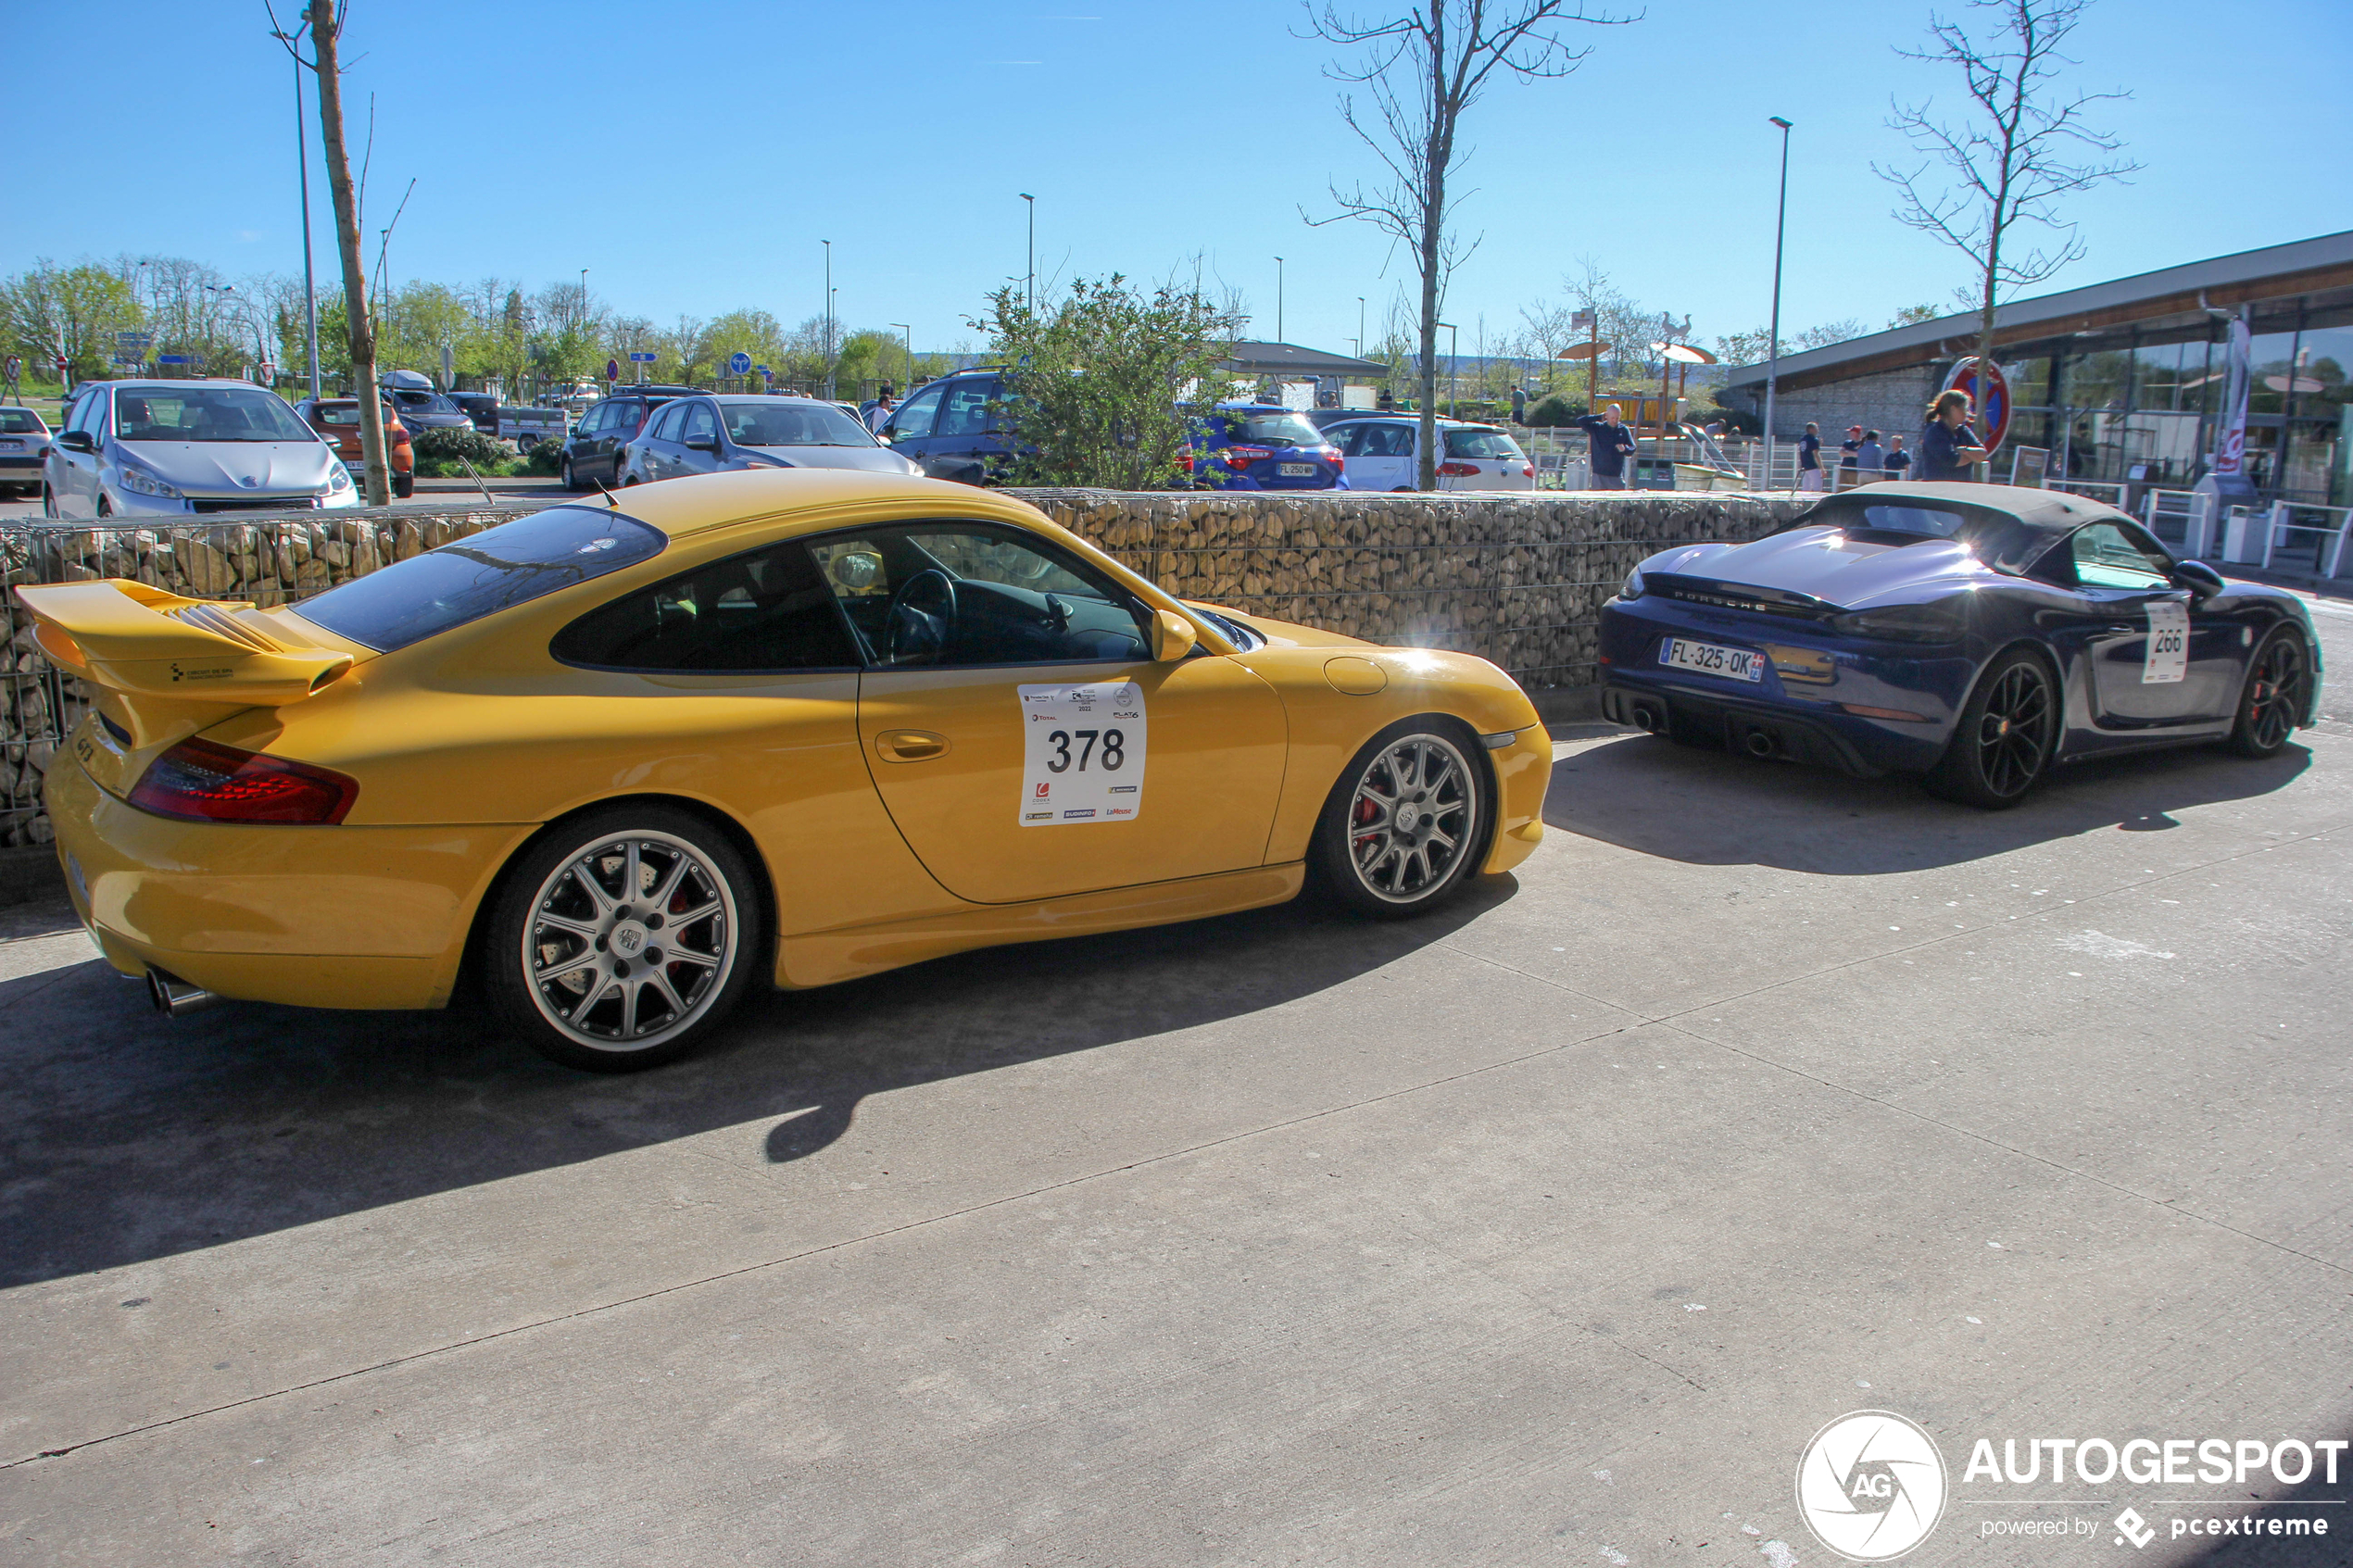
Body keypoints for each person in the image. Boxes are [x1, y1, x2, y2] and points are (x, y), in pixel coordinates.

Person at [1919, 389, 1988, 482]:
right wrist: (1972, 456)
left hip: (1961, 490)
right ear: (1953, 409)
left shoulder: (1963, 430)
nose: (1967, 413)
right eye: (1964, 409)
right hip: (1937, 490)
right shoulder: (1934, 432)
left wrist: (1964, 450)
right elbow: (1953, 460)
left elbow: (1982, 454)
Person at [1575, 402, 1637, 490]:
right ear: (1607, 416)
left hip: (1616, 476)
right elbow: (1580, 421)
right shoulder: (1597, 428)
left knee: (1616, 503)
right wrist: (1599, 417)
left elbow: (1633, 447)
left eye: (1617, 418)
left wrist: (1625, 449)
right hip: (1598, 476)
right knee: (1597, 502)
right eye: (1612, 418)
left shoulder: (1623, 430)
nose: (1615, 420)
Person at [1797, 421, 1823, 491]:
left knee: (1806, 488)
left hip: (1805, 467)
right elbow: (1816, 454)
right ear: (1812, 429)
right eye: (1816, 428)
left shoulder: (1803, 440)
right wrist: (1822, 468)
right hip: (1813, 466)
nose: (1818, 430)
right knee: (1817, 487)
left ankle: (1805, 501)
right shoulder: (1814, 439)